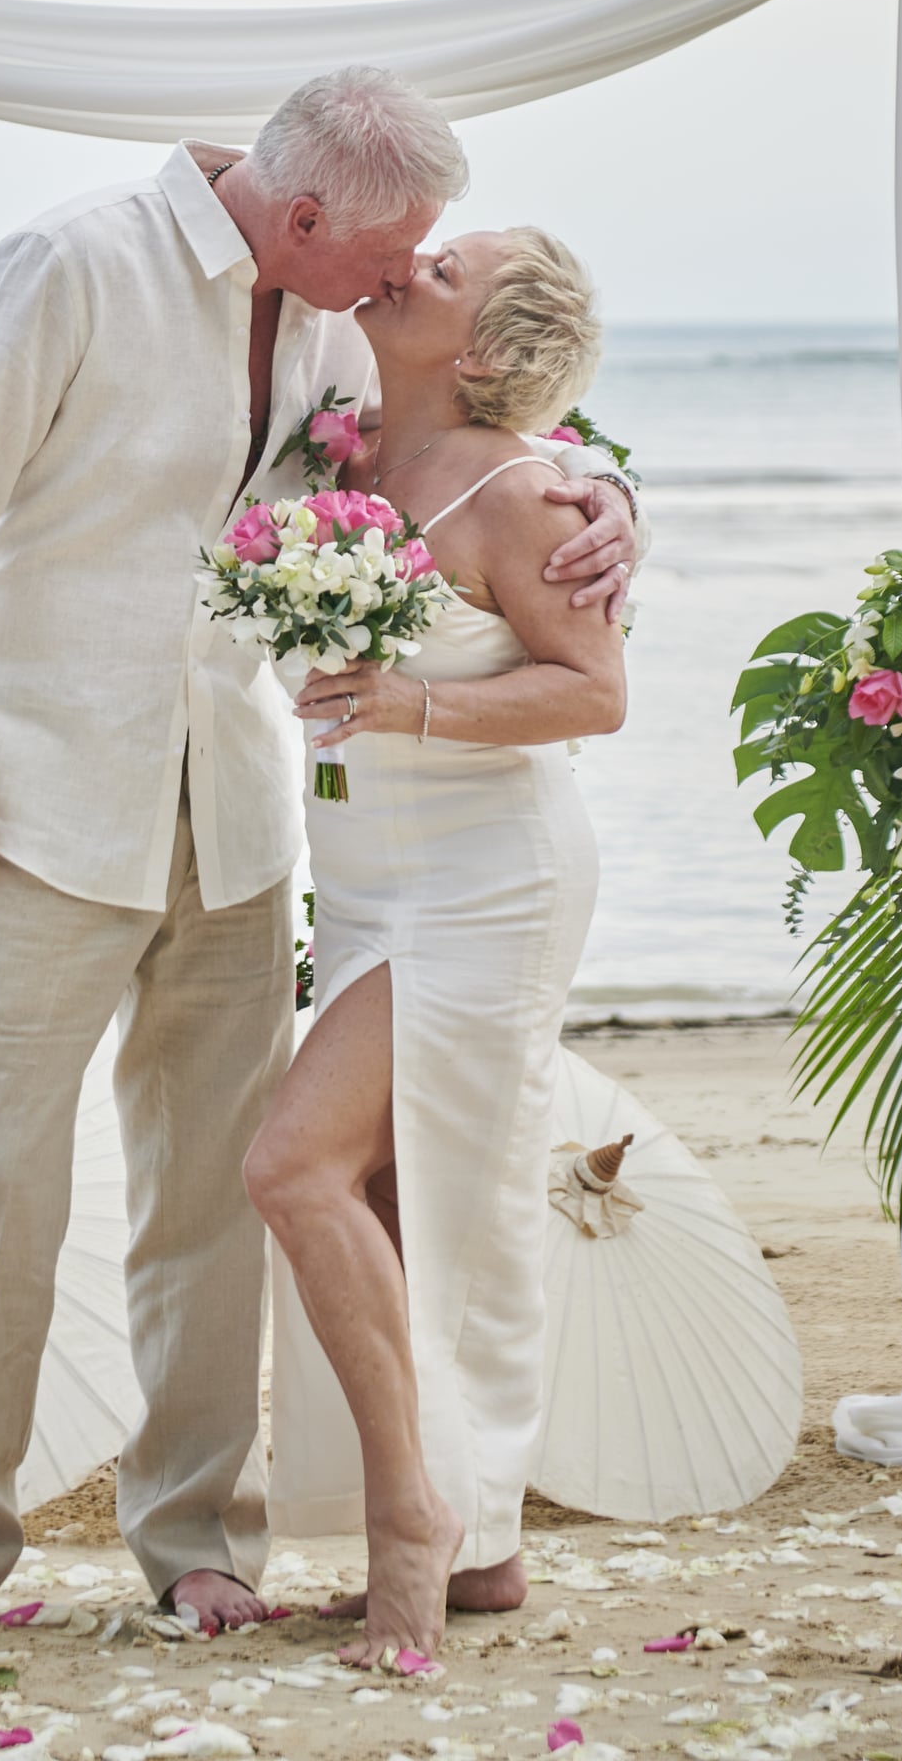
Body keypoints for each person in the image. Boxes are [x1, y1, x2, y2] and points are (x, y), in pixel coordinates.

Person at [0, 72, 639, 1642]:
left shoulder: (344, 312)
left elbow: (483, 442)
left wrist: (620, 496)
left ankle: (198, 1533)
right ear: (302, 218)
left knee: (217, 1189)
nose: (401, 275)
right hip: (42, 808)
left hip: (239, 821)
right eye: (392, 247)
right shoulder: (68, 268)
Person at [245, 226, 624, 1667]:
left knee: (293, 1166)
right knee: (410, 1209)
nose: (411, 260)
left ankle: (414, 1520)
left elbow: (594, 692)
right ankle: (486, 1547)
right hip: (361, 880)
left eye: (448, 267)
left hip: (486, 880)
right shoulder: (344, 463)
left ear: (476, 351)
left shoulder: (522, 493)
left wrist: (415, 708)